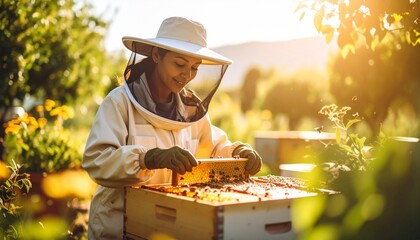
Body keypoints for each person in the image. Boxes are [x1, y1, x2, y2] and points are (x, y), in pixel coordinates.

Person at [82, 16, 262, 239]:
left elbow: (213, 148)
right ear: (157, 55)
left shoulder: (190, 110)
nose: (187, 76)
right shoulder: (119, 103)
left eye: (194, 68)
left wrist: (237, 153)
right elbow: (96, 159)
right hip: (117, 225)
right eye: (179, 64)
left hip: (167, 227)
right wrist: (148, 158)